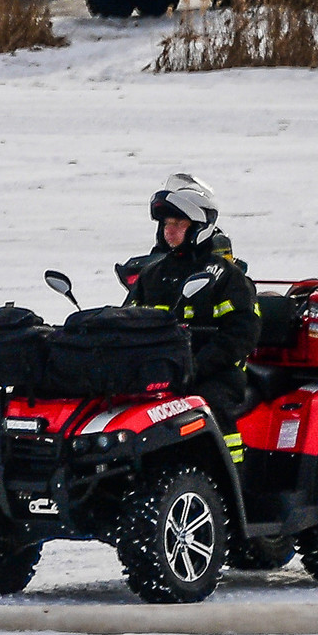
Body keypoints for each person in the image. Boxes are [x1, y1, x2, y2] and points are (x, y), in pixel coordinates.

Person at [120, 174, 260, 463]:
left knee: (207, 407)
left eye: (178, 224)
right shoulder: (153, 275)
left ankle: (228, 479)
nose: (169, 231)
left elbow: (243, 332)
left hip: (216, 376)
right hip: (159, 374)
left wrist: (196, 365)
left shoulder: (227, 277)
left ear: (199, 228)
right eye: (166, 224)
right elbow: (128, 321)